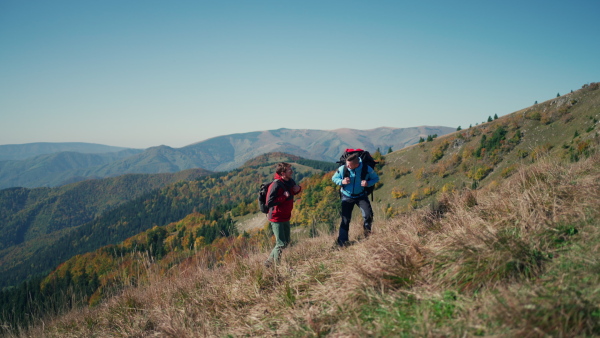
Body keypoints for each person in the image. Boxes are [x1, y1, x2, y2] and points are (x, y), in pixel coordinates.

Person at [332, 153, 379, 247]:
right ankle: (342, 242)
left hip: (361, 195)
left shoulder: (366, 169)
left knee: (368, 215)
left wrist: (368, 183)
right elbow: (334, 178)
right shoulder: (343, 169)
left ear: (356, 165)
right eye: (346, 164)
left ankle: (367, 234)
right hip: (347, 196)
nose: (347, 166)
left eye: (349, 165)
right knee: (345, 219)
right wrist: (341, 182)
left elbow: (376, 178)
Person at [265, 162, 302, 266]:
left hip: (286, 216)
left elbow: (291, 192)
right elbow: (269, 202)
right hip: (276, 217)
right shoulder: (275, 184)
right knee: (281, 243)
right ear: (282, 173)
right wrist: (283, 197)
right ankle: (277, 266)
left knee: (286, 242)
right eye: (289, 170)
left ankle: (268, 262)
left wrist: (298, 189)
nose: (292, 171)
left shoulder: (290, 181)